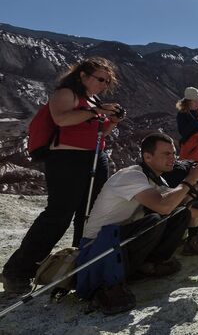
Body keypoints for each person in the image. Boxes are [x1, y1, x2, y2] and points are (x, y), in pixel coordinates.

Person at [1, 57, 124, 294]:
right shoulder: (66, 93)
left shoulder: (92, 99)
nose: (103, 85)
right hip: (68, 160)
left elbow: (101, 130)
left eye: (106, 82)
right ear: (83, 75)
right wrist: (96, 111)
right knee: (58, 215)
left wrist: (113, 121)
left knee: (90, 213)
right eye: (100, 79)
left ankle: (80, 262)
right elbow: (62, 119)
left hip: (95, 157)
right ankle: (17, 271)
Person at [75, 133, 198, 314]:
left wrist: (197, 189)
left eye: (173, 153)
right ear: (147, 157)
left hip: (120, 239)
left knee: (180, 213)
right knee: (154, 220)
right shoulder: (131, 176)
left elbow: (177, 205)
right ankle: (112, 281)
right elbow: (163, 206)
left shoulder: (155, 179)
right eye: (166, 154)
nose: (172, 158)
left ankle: (148, 265)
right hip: (99, 246)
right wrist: (189, 179)